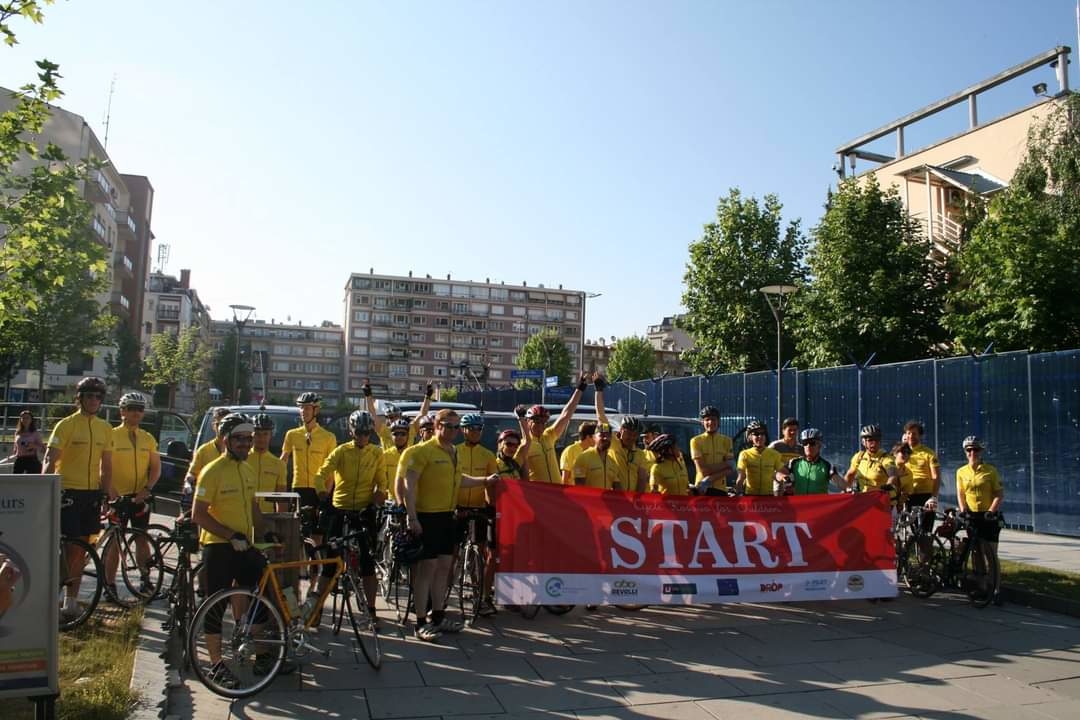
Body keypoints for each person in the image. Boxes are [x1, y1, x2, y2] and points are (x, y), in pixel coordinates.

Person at [191, 413, 286, 685]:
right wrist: (229, 534)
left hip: (245, 544)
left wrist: (267, 532)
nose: (246, 443)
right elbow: (198, 514)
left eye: (249, 438)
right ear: (225, 440)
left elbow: (254, 509)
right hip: (219, 546)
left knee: (263, 591)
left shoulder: (247, 470)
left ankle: (262, 653)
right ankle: (216, 665)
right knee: (216, 605)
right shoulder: (212, 471)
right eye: (239, 438)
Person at [402, 409, 498, 641]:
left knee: (444, 568)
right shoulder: (420, 451)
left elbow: (459, 480)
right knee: (427, 570)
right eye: (450, 425)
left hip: (447, 516)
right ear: (436, 426)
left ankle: (438, 615)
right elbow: (408, 485)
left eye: (457, 426)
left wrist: (484, 480)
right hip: (427, 516)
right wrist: (412, 517)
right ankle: (421, 621)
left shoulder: (453, 451)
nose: (454, 431)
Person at [44, 376, 113, 620]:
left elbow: (106, 466)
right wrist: (46, 489)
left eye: (98, 396)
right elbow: (50, 460)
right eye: (90, 395)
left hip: (91, 494)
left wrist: (107, 493)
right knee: (67, 548)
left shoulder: (105, 428)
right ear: (80, 398)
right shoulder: (66, 425)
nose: (94, 400)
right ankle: (53, 600)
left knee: (82, 550)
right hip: (68, 492)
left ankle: (70, 603)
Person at [312, 410, 385, 623]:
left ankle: (371, 609)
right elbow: (320, 475)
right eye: (359, 432)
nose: (363, 436)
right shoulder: (341, 452)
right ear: (351, 431)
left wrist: (377, 498)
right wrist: (323, 495)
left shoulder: (376, 453)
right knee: (330, 564)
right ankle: (316, 611)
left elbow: (382, 482)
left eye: (367, 433)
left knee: (367, 562)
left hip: (363, 511)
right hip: (339, 509)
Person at [105, 391, 161, 597]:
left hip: (139, 496)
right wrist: (110, 491)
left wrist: (147, 489)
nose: (136, 413)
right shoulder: (111, 435)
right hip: (118, 496)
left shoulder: (148, 438)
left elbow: (156, 468)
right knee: (115, 542)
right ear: (123, 411)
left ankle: (145, 580)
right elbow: (105, 467)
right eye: (132, 409)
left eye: (140, 409)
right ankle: (110, 586)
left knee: (141, 539)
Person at [280, 392, 337, 556]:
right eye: (301, 408)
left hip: (319, 490)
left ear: (316, 410)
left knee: (317, 534)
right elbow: (283, 460)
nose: (303, 412)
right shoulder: (292, 435)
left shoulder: (328, 437)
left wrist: (325, 495)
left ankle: (315, 576)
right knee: (300, 532)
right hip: (298, 488)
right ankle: (299, 573)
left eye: (307, 408)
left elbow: (330, 470)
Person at [455, 413, 498, 615]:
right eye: (471, 429)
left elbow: (491, 486)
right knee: (452, 553)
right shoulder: (454, 452)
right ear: (463, 430)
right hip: (457, 507)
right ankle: (444, 596)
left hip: (479, 508)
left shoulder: (488, 455)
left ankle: (479, 595)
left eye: (478, 429)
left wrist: (491, 507)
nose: (475, 432)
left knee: (478, 553)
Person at [956, 435, 1004, 603]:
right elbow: (961, 493)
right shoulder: (961, 472)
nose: (972, 453)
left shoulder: (990, 470)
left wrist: (991, 510)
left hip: (988, 515)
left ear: (981, 451)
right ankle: (982, 587)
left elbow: (999, 493)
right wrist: (963, 511)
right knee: (976, 553)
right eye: (969, 450)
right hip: (972, 516)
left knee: (991, 554)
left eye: (975, 450)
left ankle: (996, 590)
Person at [523, 372, 590, 484]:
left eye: (544, 422)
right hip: (539, 495)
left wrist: (580, 387)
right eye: (537, 421)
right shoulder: (524, 445)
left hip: (557, 493)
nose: (541, 425)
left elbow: (566, 413)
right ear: (528, 422)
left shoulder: (548, 436)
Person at [183, 407, 232, 502]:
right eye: (219, 424)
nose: (222, 428)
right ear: (214, 426)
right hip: (206, 503)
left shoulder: (240, 451)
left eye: (226, 425)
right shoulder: (203, 450)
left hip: (229, 504)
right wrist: (188, 483)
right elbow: (192, 473)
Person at [775, 428, 842, 495]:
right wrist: (784, 478)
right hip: (798, 504)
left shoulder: (827, 465)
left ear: (819, 445)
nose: (808, 446)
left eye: (812, 443)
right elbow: (778, 473)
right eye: (805, 443)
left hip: (818, 505)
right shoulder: (794, 462)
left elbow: (838, 480)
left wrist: (848, 488)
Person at [366, 380, 432, 447]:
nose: (394, 419)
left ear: (401, 416)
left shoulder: (410, 428)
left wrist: (428, 396)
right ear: (387, 419)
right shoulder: (384, 431)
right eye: (391, 417)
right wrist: (368, 394)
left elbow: (422, 414)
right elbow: (372, 414)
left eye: (396, 416)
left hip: (406, 457)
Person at [902, 420, 941, 534]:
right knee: (912, 533)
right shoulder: (901, 453)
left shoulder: (928, 453)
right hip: (908, 496)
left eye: (914, 433)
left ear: (920, 436)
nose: (910, 436)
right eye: (908, 433)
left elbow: (936, 477)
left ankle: (926, 552)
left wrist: (933, 497)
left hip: (925, 497)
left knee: (925, 533)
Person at [246, 413, 287, 513]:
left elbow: (281, 499)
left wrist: (280, 525)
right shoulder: (242, 459)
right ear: (251, 435)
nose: (262, 438)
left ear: (271, 435)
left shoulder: (279, 464)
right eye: (258, 434)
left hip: (267, 518)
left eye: (265, 434)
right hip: (244, 518)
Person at [690, 406, 734, 494]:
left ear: (718, 421)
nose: (710, 422)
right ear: (702, 422)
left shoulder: (727, 441)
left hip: (721, 489)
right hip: (702, 488)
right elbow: (703, 471)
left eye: (713, 419)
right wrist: (725, 464)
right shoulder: (695, 441)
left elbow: (731, 469)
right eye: (707, 420)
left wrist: (710, 479)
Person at [735, 420, 784, 496]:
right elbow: (741, 477)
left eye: (762, 434)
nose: (760, 436)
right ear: (750, 437)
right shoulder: (744, 454)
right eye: (756, 434)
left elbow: (779, 473)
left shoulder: (775, 454)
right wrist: (738, 494)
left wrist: (784, 478)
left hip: (768, 496)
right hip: (750, 496)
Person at [844, 424, 895, 495]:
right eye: (870, 440)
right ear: (863, 442)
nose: (874, 443)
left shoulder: (886, 458)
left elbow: (892, 475)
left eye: (876, 440)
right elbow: (850, 475)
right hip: (863, 499)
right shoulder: (859, 457)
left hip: (880, 499)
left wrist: (887, 485)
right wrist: (845, 490)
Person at [559, 420, 598, 485]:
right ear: (588, 437)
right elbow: (564, 479)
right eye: (595, 437)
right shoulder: (570, 451)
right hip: (574, 493)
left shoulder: (594, 451)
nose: (597, 439)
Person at [383, 418, 413, 503]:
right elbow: (382, 482)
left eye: (403, 434)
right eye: (395, 434)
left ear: (408, 435)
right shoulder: (385, 455)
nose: (399, 437)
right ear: (391, 436)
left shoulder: (414, 454)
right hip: (392, 501)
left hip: (412, 501)